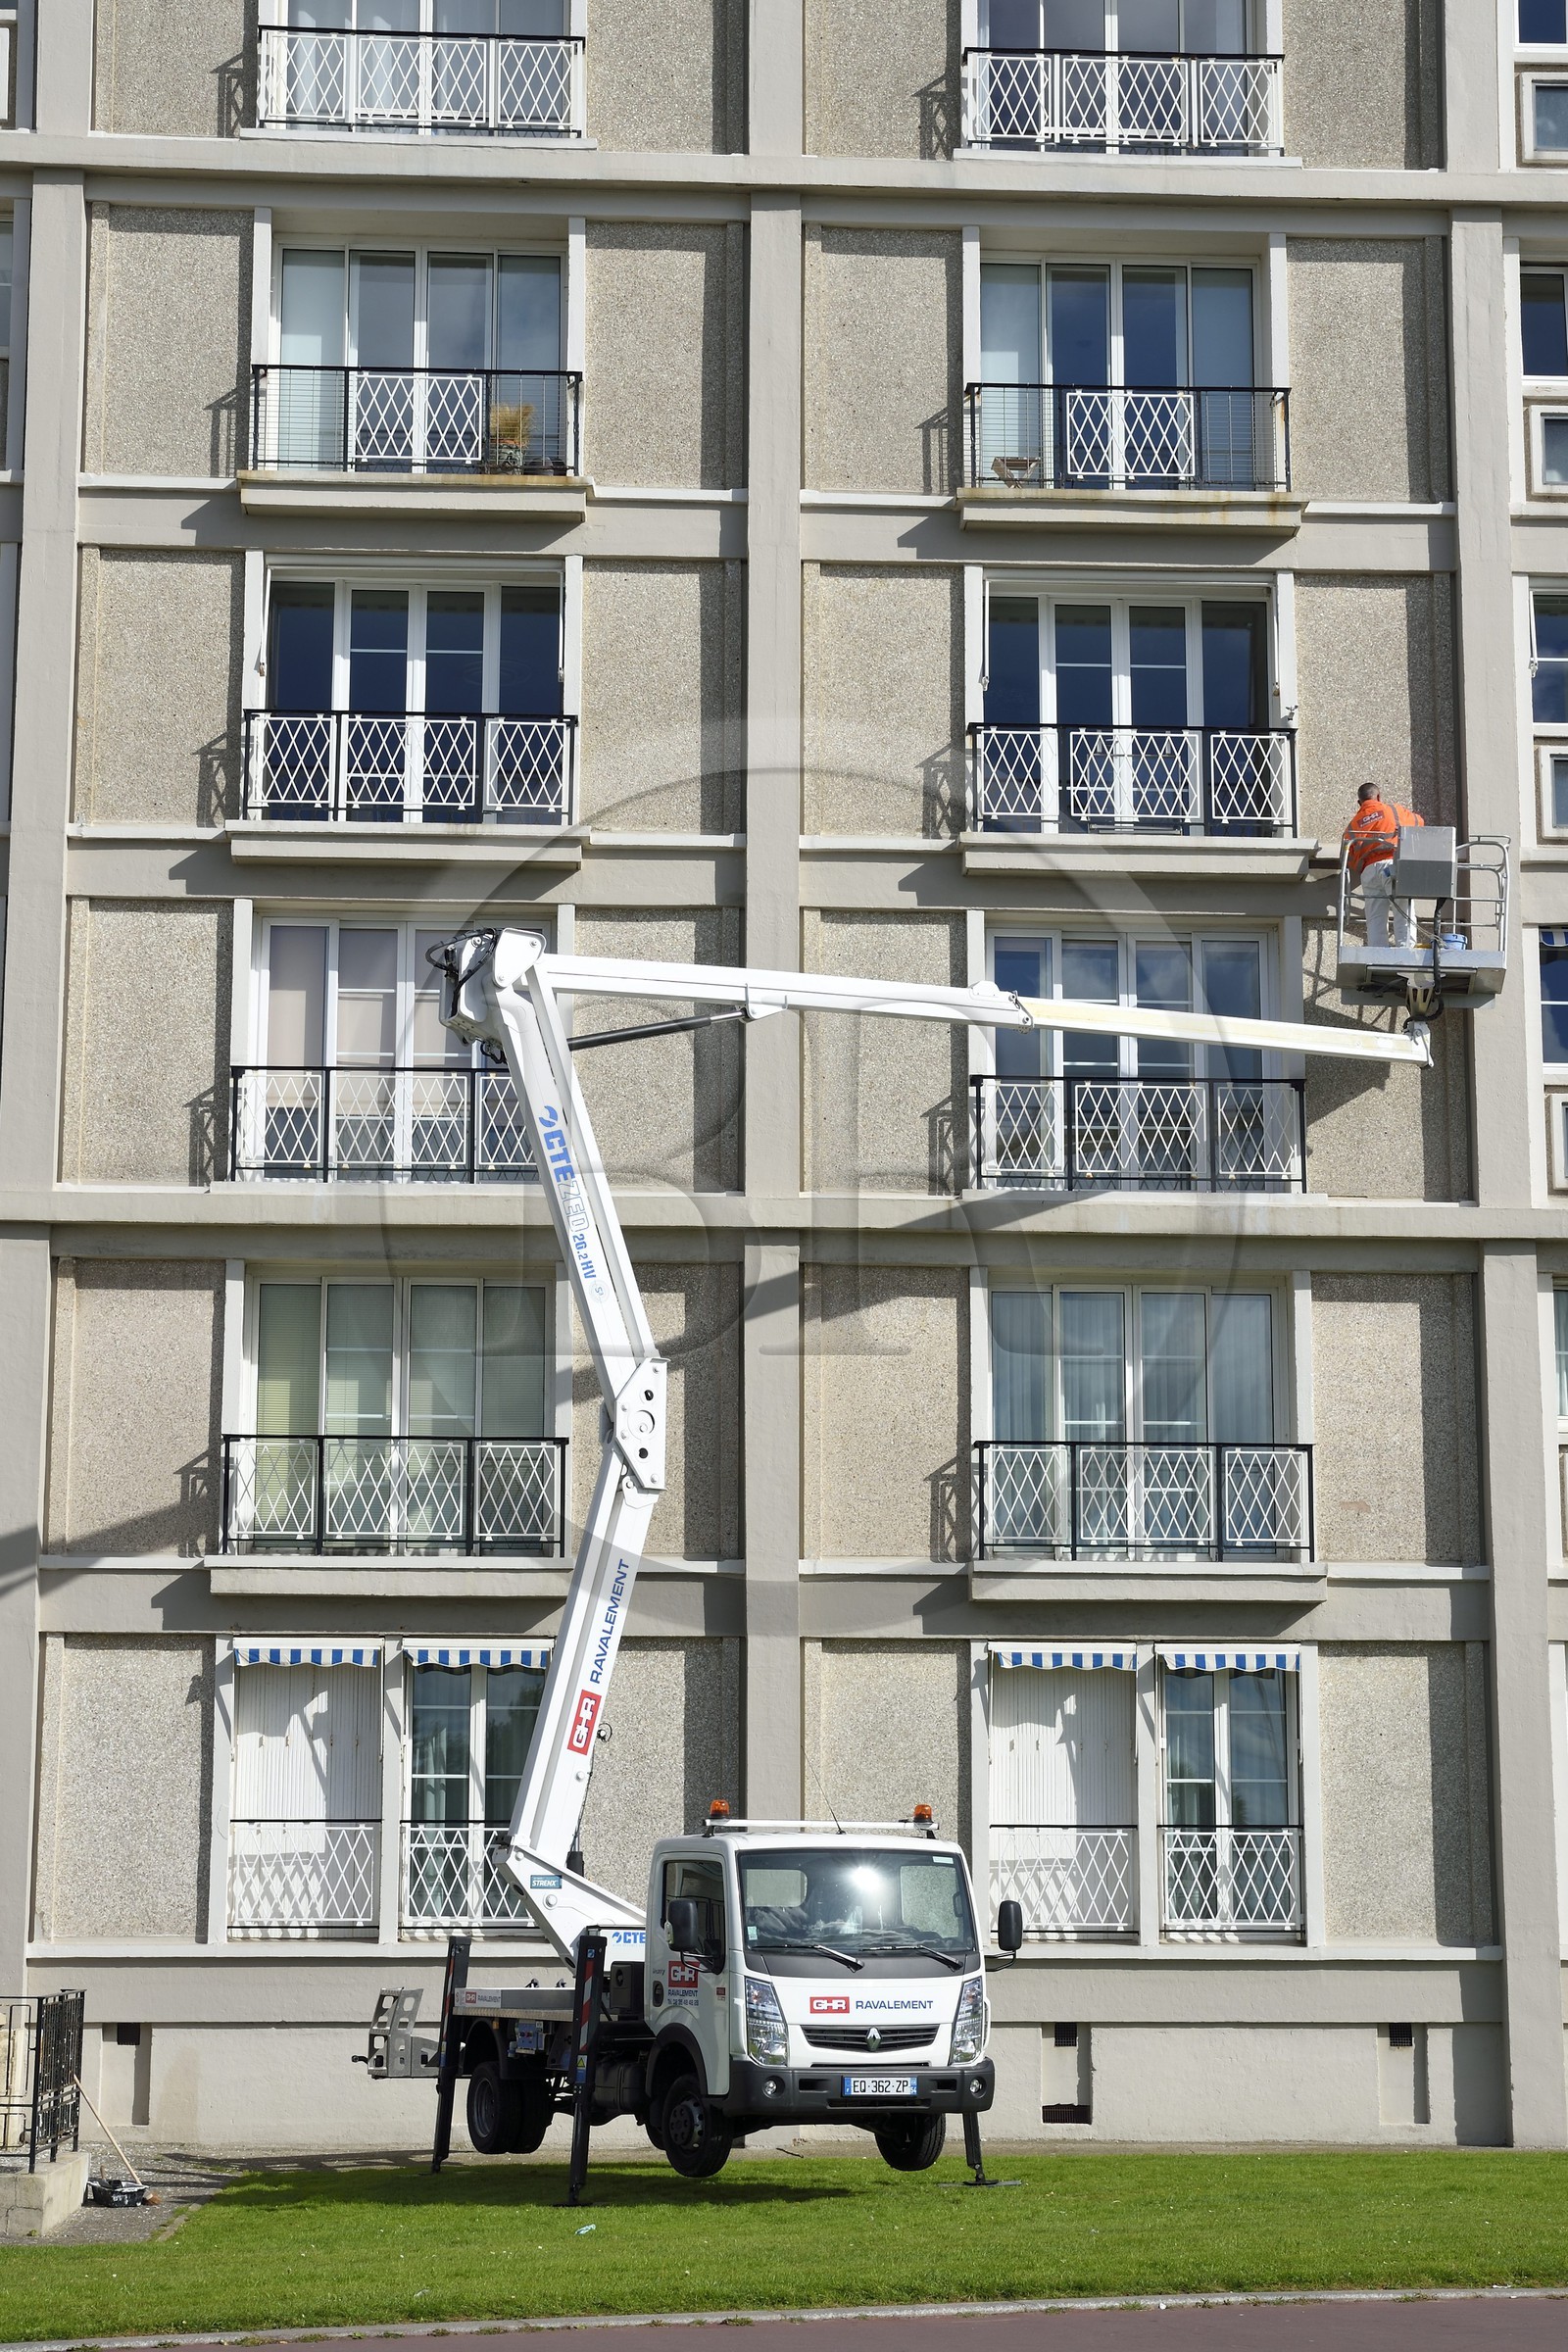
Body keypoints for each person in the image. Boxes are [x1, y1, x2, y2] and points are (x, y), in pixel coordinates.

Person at [1343, 781, 1424, 950]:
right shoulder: (1392, 810)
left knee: (1375, 917)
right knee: (1403, 909)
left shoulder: (1353, 825)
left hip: (1369, 872)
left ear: (1360, 802)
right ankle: (1406, 951)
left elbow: (1348, 859)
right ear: (1378, 796)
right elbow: (1419, 823)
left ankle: (1377, 953)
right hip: (1391, 865)